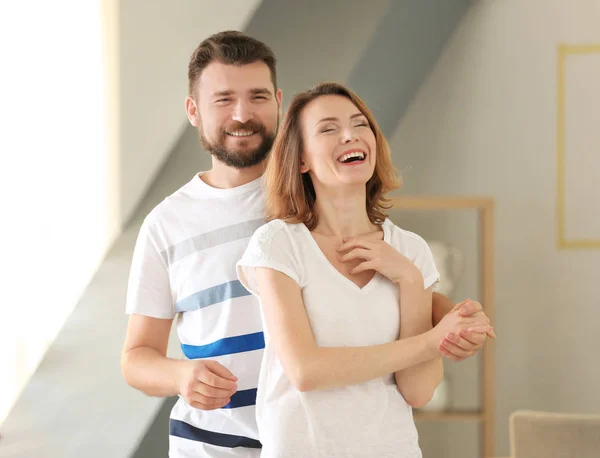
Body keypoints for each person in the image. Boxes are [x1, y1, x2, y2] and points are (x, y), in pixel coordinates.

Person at [121, 31, 494, 458]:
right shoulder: (166, 225)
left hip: (318, 437)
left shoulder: (314, 195)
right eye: (223, 99)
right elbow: (137, 357)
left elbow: (372, 290)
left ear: (278, 102)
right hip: (214, 446)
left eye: (258, 96)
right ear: (193, 109)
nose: (243, 113)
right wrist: (181, 376)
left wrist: (452, 315)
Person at [236, 82, 492, 457]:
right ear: (301, 159)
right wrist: (431, 339)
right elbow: (307, 372)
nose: (349, 135)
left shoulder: (411, 251)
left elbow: (418, 391)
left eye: (360, 125)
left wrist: (410, 280)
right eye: (327, 128)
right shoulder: (278, 244)